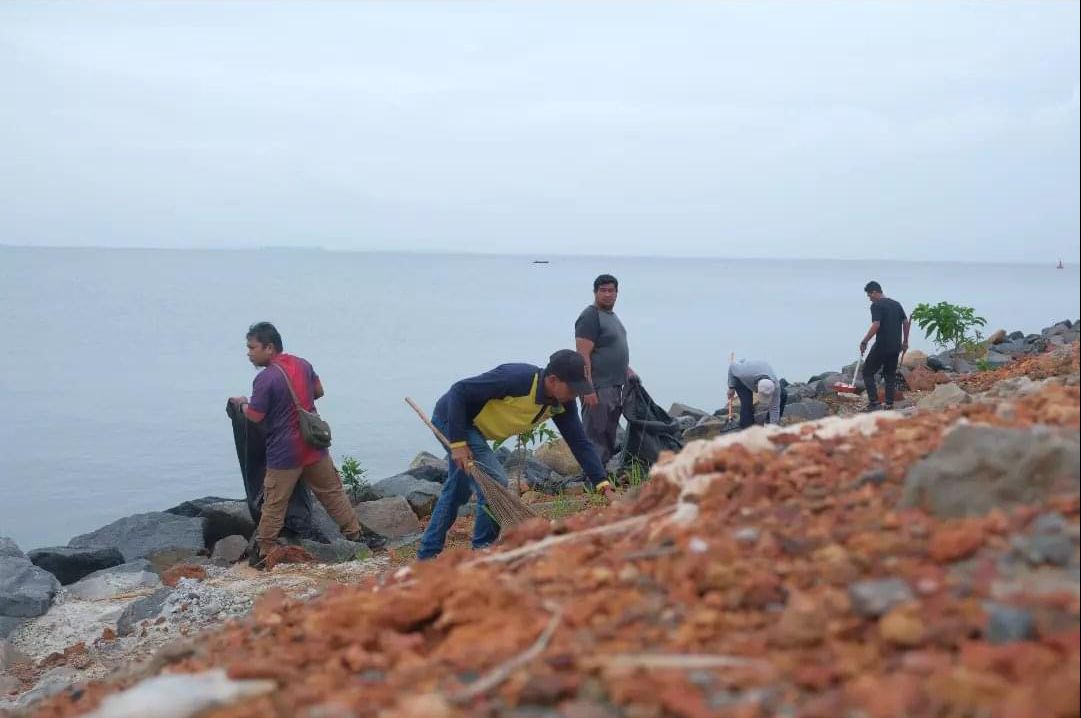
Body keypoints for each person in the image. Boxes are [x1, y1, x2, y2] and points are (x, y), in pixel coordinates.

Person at [417, 350, 611, 560]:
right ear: (553, 380)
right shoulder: (516, 379)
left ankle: (426, 556)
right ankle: (483, 549)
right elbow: (459, 391)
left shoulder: (561, 402)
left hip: (477, 429)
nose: (576, 394)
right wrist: (458, 443)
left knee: (457, 491)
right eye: (573, 388)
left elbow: (579, 442)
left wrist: (602, 484)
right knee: (496, 482)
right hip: (452, 419)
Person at [228, 322, 368, 567]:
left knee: (274, 502)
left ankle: (264, 551)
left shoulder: (265, 379)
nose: (248, 353)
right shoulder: (303, 364)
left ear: (269, 347)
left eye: (252, 347)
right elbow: (319, 391)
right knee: (333, 493)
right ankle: (356, 536)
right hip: (314, 446)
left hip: (285, 453)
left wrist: (240, 404)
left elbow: (255, 416)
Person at [575, 274, 636, 466]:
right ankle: (592, 478)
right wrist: (588, 389)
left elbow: (610, 348)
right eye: (603, 290)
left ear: (617, 293)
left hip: (614, 385)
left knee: (608, 434)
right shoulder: (590, 316)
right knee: (595, 435)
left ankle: (603, 475)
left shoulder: (611, 316)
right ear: (595, 292)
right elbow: (583, 355)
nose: (607, 294)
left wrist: (627, 370)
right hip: (598, 387)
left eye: (611, 290)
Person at [859, 281, 911, 411]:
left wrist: (864, 341)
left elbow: (876, 325)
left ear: (875, 292)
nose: (870, 299)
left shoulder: (877, 305)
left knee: (867, 372)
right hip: (895, 346)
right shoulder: (896, 304)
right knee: (890, 375)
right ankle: (889, 404)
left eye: (870, 295)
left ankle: (874, 403)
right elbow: (905, 322)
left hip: (882, 345)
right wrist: (905, 342)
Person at [727, 359, 787, 429]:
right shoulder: (743, 373)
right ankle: (747, 430)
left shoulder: (776, 386)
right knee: (747, 405)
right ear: (757, 388)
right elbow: (731, 367)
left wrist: (773, 427)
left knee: (783, 395)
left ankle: (767, 423)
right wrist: (731, 387)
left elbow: (775, 408)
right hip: (742, 379)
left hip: (758, 371)